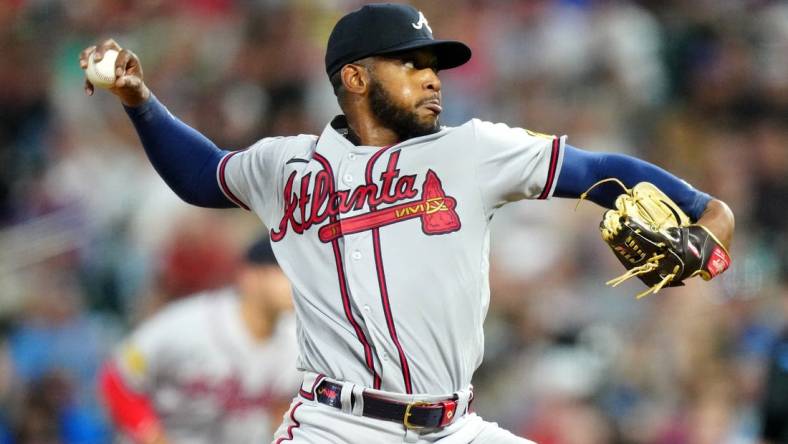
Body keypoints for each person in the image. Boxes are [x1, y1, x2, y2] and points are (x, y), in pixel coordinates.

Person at [81, 3, 735, 443]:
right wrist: (140, 101)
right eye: (411, 63)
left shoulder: (473, 149)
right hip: (335, 426)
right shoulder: (288, 167)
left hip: (454, 426)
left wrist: (709, 212)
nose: (432, 79)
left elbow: (596, 170)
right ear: (357, 77)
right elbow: (203, 175)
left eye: (434, 65)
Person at [98, 236, 299, 444]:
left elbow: (283, 409)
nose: (298, 282)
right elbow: (116, 376)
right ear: (251, 276)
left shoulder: (298, 338)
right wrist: (149, 433)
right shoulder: (189, 325)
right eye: (286, 272)